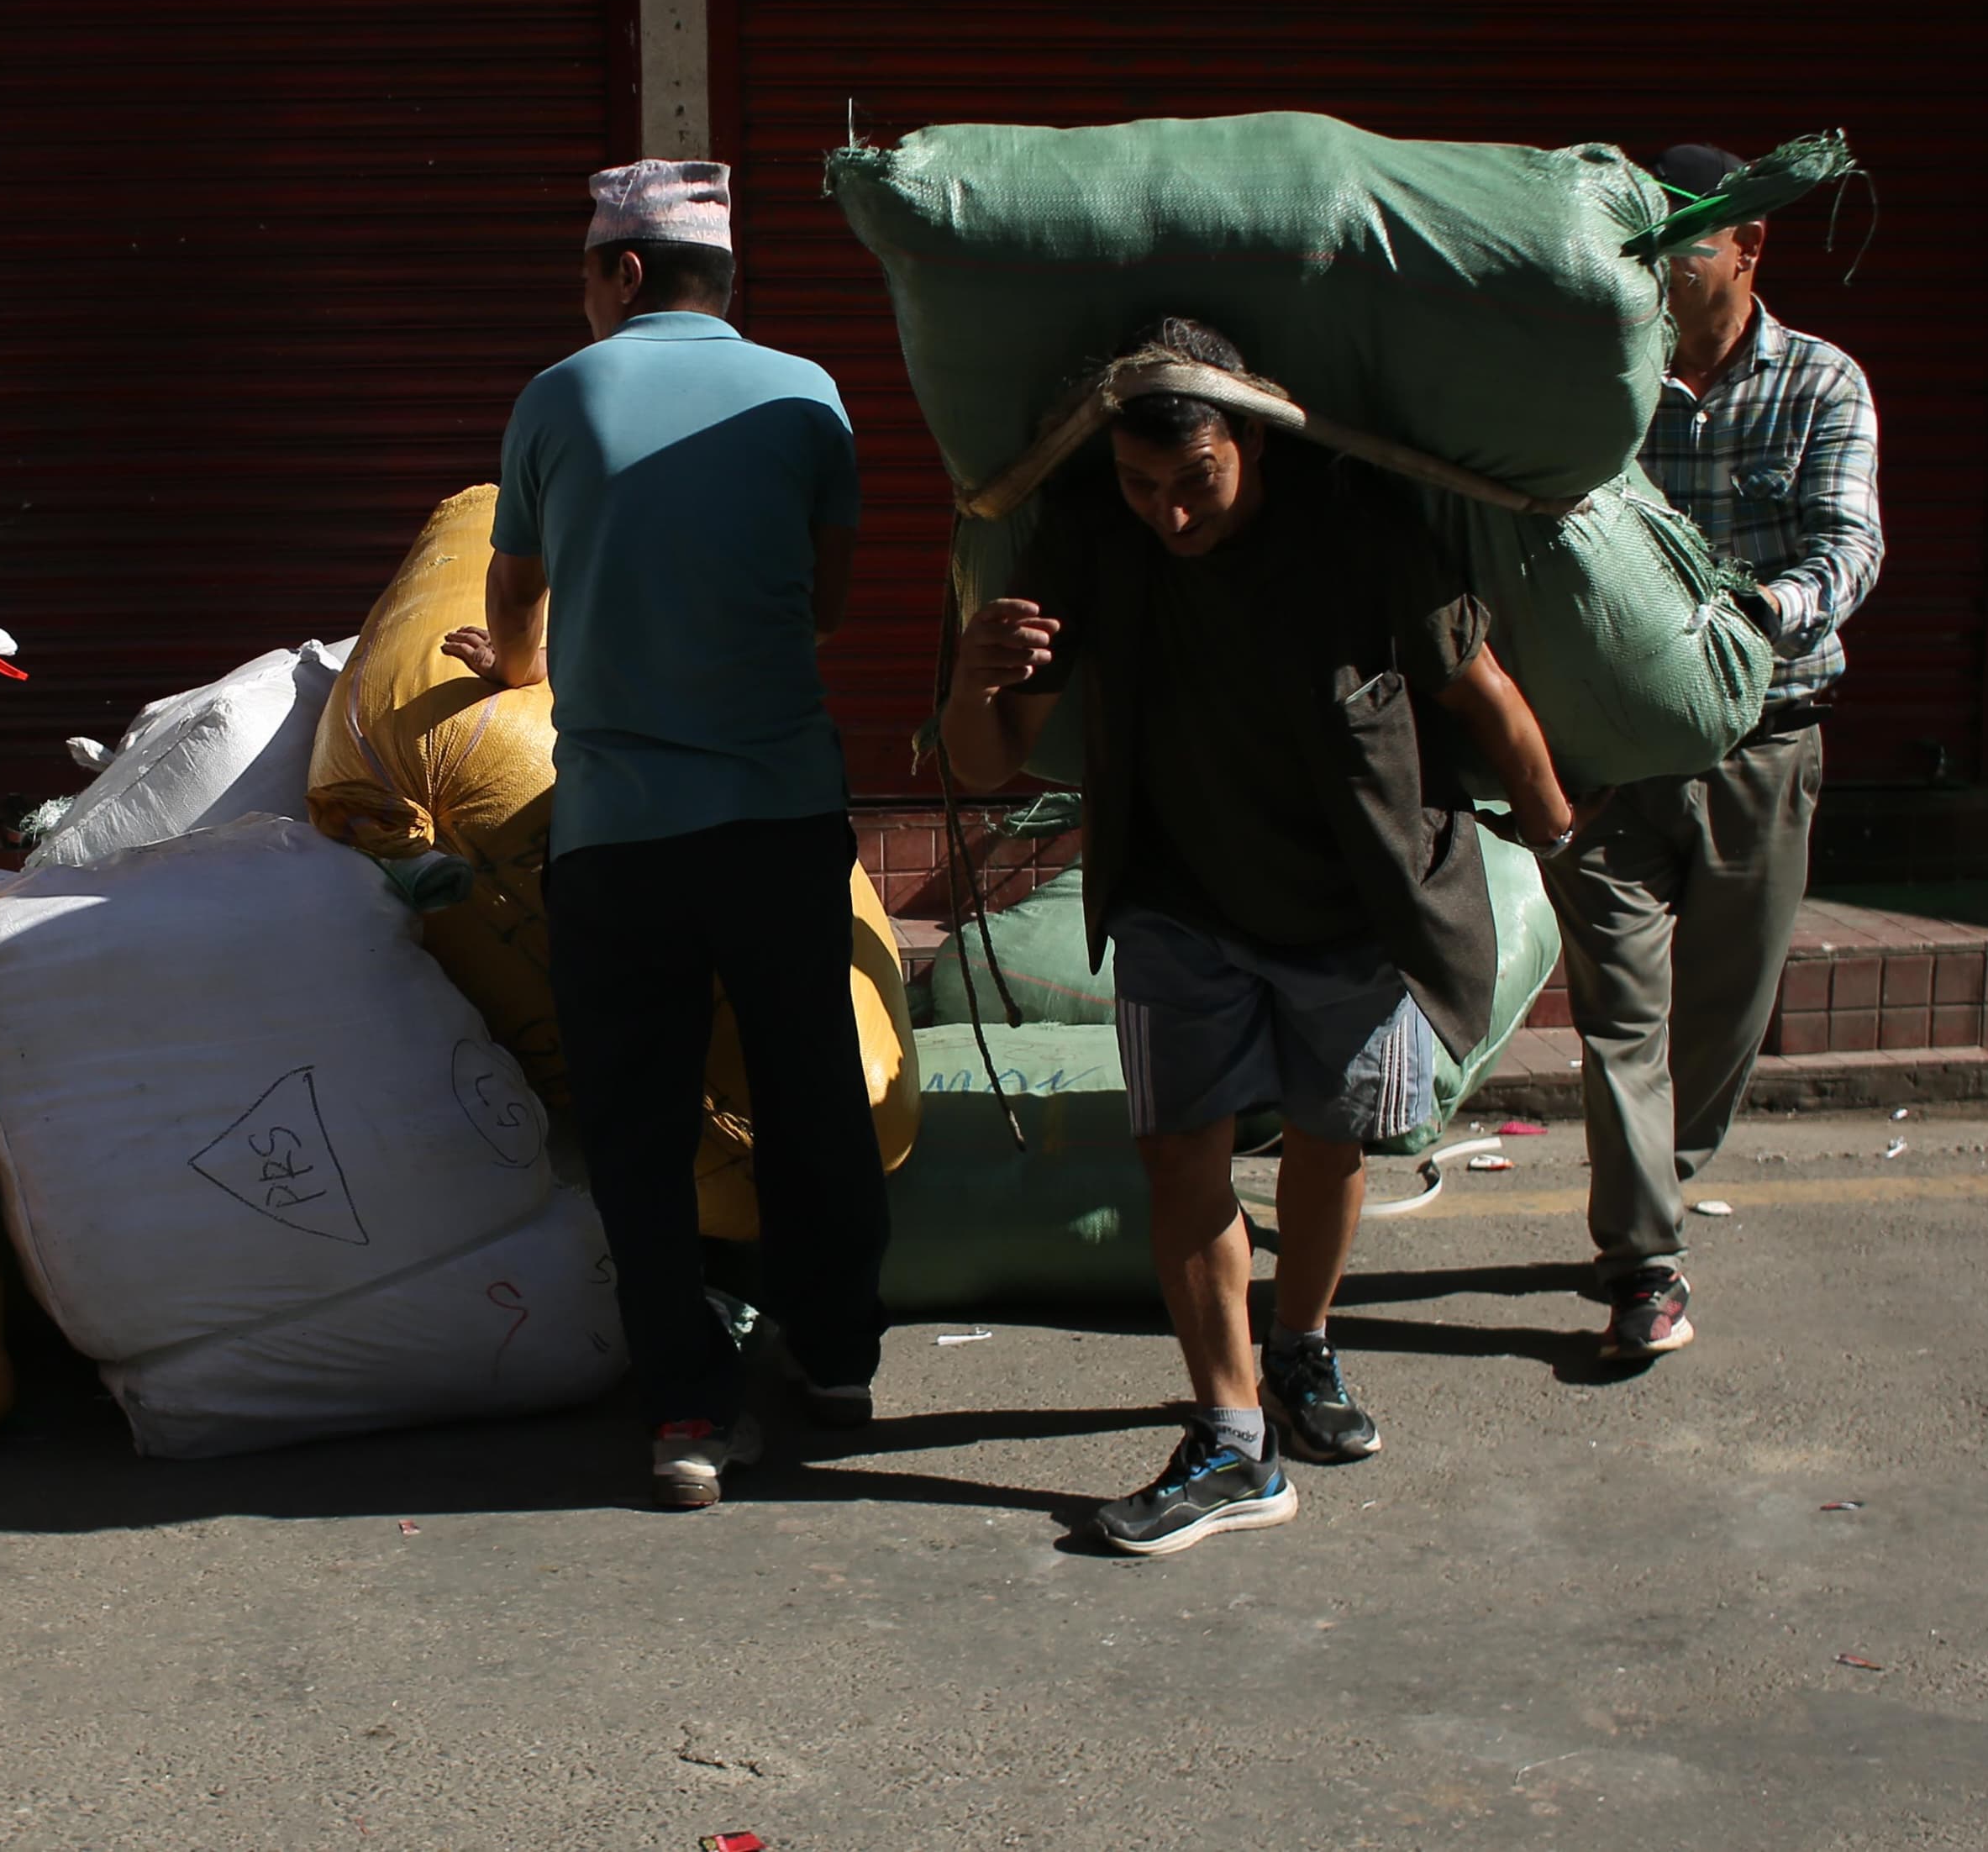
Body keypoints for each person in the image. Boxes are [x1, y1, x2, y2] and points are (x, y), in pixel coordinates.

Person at [938, 319, 1590, 1557]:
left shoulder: (1359, 534)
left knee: (1328, 1139)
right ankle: (1234, 1439)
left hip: (1350, 909)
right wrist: (974, 679)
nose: (1170, 519)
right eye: (1142, 486)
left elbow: (1484, 693)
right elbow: (990, 757)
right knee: (1179, 1159)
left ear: (1252, 445)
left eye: (1196, 485)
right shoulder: (1090, 541)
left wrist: (1562, 838)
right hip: (1176, 904)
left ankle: (1302, 1345)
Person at [441, 159, 886, 1512]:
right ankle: (842, 1357)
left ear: (626, 274)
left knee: (637, 1126)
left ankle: (687, 1412)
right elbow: (823, 602)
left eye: (585, 273)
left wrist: (520, 666)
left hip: (621, 842)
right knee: (812, 1093)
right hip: (782, 821)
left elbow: (515, 598)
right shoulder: (812, 394)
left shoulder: (558, 397)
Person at [1543, 145, 1880, 1365]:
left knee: (1723, 1017)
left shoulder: (1821, 384)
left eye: (1682, 243)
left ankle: (1662, 1179)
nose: (1657, 269)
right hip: (1619, 757)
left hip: (1764, 742)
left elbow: (1849, 550)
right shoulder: (1601, 386)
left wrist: (1750, 620)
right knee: (1619, 1012)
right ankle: (1646, 1259)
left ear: (1748, 248)